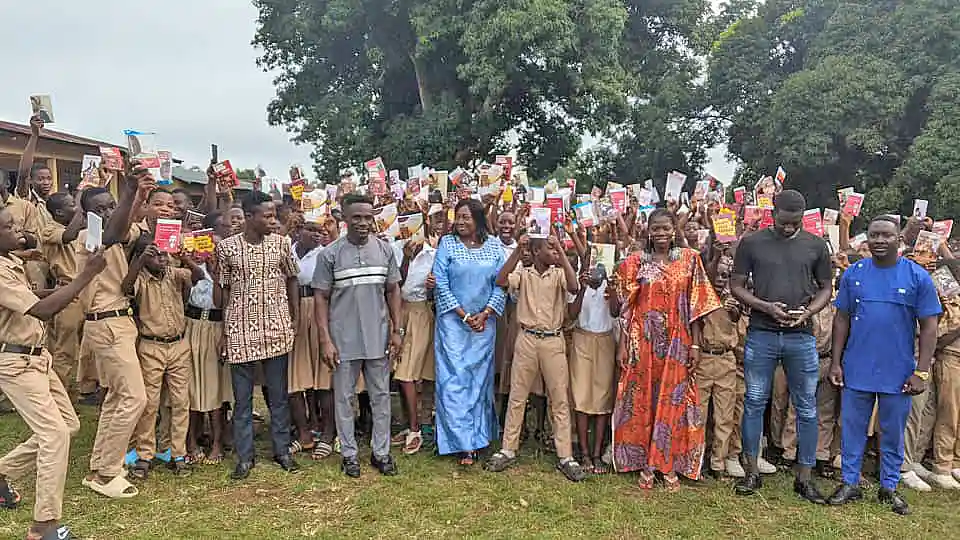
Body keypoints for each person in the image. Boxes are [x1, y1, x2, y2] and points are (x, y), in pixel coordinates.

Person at [0, 201, 107, 540]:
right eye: (7, 226)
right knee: (54, 435)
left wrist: (69, 287)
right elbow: (41, 310)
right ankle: (43, 525)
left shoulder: (10, 263)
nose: (18, 229)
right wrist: (85, 277)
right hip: (16, 362)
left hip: (36, 358)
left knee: (69, 425)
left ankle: (2, 472)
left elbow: (31, 297)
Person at [827, 216, 941, 515]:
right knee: (851, 428)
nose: (879, 241)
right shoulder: (854, 273)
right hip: (857, 367)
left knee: (892, 431)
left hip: (899, 371)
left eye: (886, 236)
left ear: (898, 240)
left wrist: (921, 370)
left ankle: (889, 487)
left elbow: (930, 327)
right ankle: (850, 483)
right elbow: (841, 319)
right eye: (874, 235)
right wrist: (836, 362)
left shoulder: (917, 277)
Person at [730, 189, 833, 502]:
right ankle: (751, 472)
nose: (789, 228)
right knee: (755, 402)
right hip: (761, 332)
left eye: (795, 223)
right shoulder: (752, 243)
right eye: (784, 222)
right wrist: (764, 306)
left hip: (801, 336)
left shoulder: (816, 245)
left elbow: (826, 288)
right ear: (771, 213)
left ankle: (804, 478)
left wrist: (809, 311)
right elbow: (736, 285)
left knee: (806, 406)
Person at [610, 209, 720, 490]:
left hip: (678, 342)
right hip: (642, 342)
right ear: (648, 231)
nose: (660, 234)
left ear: (674, 230)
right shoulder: (636, 262)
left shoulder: (689, 260)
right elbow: (625, 309)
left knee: (674, 401)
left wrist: (695, 344)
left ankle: (667, 462)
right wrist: (623, 345)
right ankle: (646, 461)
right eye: (655, 229)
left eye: (665, 228)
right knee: (644, 400)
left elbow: (697, 305)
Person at [77, 166, 156, 500]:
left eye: (112, 205)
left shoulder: (118, 226)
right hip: (106, 321)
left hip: (117, 321)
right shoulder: (89, 237)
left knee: (116, 397)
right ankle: (108, 472)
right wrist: (128, 194)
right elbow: (112, 234)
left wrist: (140, 195)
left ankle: (100, 466)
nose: (109, 212)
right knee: (134, 397)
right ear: (88, 214)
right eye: (101, 208)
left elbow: (128, 230)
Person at [314, 194, 402, 478]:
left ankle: (381, 453)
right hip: (343, 339)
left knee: (380, 397)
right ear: (344, 218)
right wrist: (326, 339)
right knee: (344, 398)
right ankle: (349, 455)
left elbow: (393, 291)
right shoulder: (329, 254)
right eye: (357, 217)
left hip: (378, 337)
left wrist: (397, 330)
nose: (363, 223)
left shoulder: (385, 251)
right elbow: (320, 298)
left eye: (367, 217)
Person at [486, 231, 586, 480]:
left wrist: (561, 252)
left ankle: (566, 455)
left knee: (559, 398)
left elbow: (574, 286)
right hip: (527, 338)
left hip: (553, 340)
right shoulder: (524, 271)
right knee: (518, 396)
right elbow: (500, 281)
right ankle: (508, 449)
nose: (554, 253)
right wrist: (518, 253)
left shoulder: (560, 272)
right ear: (538, 251)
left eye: (556, 250)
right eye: (550, 250)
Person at [215, 191, 300, 481]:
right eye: (267, 215)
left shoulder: (282, 244)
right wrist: (224, 332)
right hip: (239, 328)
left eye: (274, 215)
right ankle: (245, 456)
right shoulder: (226, 248)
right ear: (249, 217)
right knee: (242, 400)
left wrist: (294, 318)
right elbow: (224, 290)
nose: (273, 220)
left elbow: (292, 279)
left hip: (276, 326)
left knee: (278, 396)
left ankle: (282, 451)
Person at [432, 198, 506, 465]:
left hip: (483, 325)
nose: (460, 222)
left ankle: (477, 439)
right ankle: (459, 442)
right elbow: (440, 283)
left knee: (478, 381)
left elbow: (502, 283)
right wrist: (463, 316)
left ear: (478, 219)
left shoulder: (495, 246)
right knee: (453, 381)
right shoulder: (447, 244)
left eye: (466, 217)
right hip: (453, 323)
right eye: (457, 217)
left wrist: (485, 314)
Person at [123, 238, 203, 479]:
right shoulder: (139, 278)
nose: (162, 258)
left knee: (180, 401)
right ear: (143, 257)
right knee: (149, 403)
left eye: (164, 254)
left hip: (179, 344)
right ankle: (145, 453)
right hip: (151, 345)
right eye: (155, 254)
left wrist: (183, 255)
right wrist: (137, 261)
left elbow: (198, 276)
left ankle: (177, 452)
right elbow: (125, 288)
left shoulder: (173, 273)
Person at [184, 212, 232, 465]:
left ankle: (217, 441)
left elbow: (221, 302)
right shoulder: (190, 266)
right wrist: (189, 262)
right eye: (206, 244)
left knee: (214, 388)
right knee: (190, 386)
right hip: (191, 325)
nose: (209, 251)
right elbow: (186, 290)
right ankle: (191, 440)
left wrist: (214, 272)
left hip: (215, 325)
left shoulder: (224, 271)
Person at [567, 249, 618, 474]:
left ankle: (597, 454)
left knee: (602, 398)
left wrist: (613, 289)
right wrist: (582, 288)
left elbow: (616, 312)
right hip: (582, 339)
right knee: (581, 395)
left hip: (605, 341)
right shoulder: (580, 286)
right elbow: (571, 314)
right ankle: (584, 452)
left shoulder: (611, 287)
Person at [697, 257, 742, 477]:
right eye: (717, 275)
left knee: (724, 416)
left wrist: (733, 310)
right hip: (704, 359)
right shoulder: (702, 296)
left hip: (726, 359)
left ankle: (718, 463)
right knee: (699, 413)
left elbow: (736, 320)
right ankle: (696, 460)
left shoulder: (733, 298)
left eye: (726, 276)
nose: (720, 279)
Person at [392, 235, 437, 455]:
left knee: (407, 372)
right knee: (399, 371)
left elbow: (436, 288)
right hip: (400, 311)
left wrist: (433, 287)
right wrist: (406, 260)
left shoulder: (433, 255)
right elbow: (396, 285)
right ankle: (408, 422)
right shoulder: (396, 249)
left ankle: (416, 428)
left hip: (421, 312)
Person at [39, 192, 86, 392]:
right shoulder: (50, 229)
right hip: (67, 293)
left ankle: (82, 390)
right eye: (71, 206)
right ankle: (60, 396)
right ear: (58, 212)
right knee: (64, 351)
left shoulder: (76, 227)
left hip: (86, 292)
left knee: (85, 349)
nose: (75, 209)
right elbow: (68, 237)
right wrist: (83, 205)